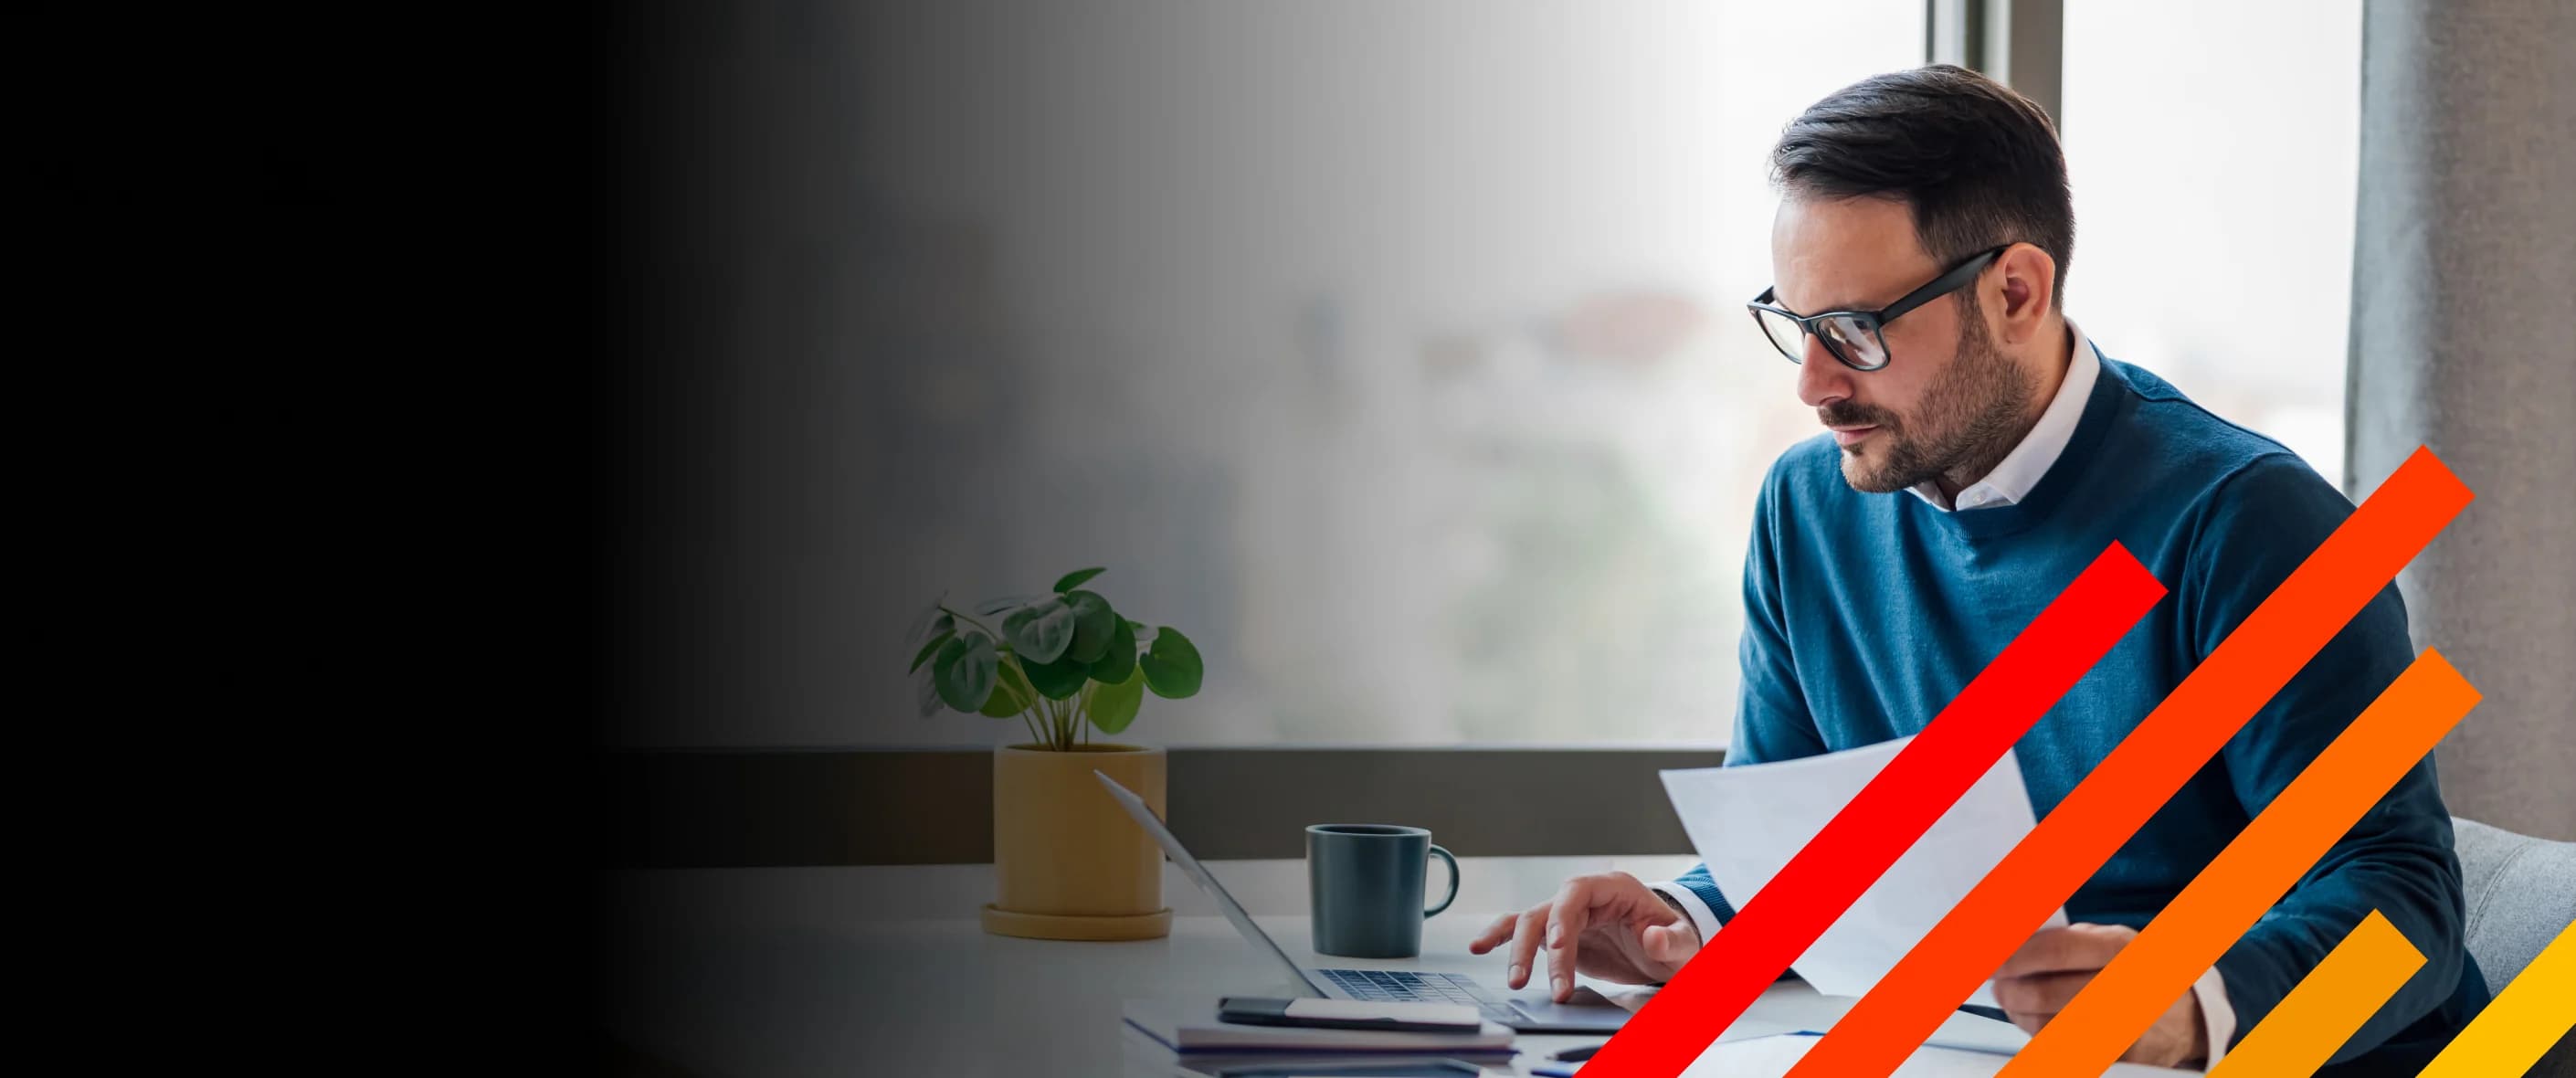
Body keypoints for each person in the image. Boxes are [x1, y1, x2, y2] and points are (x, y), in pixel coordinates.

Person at [1466, 65, 2489, 1073]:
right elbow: (1807, 851)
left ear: (2014, 291)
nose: (1815, 385)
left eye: (1855, 332)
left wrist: (2189, 1004)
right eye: (1797, 324)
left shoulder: (2250, 521)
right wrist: (1684, 920)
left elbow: (2406, 903)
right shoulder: (1811, 507)